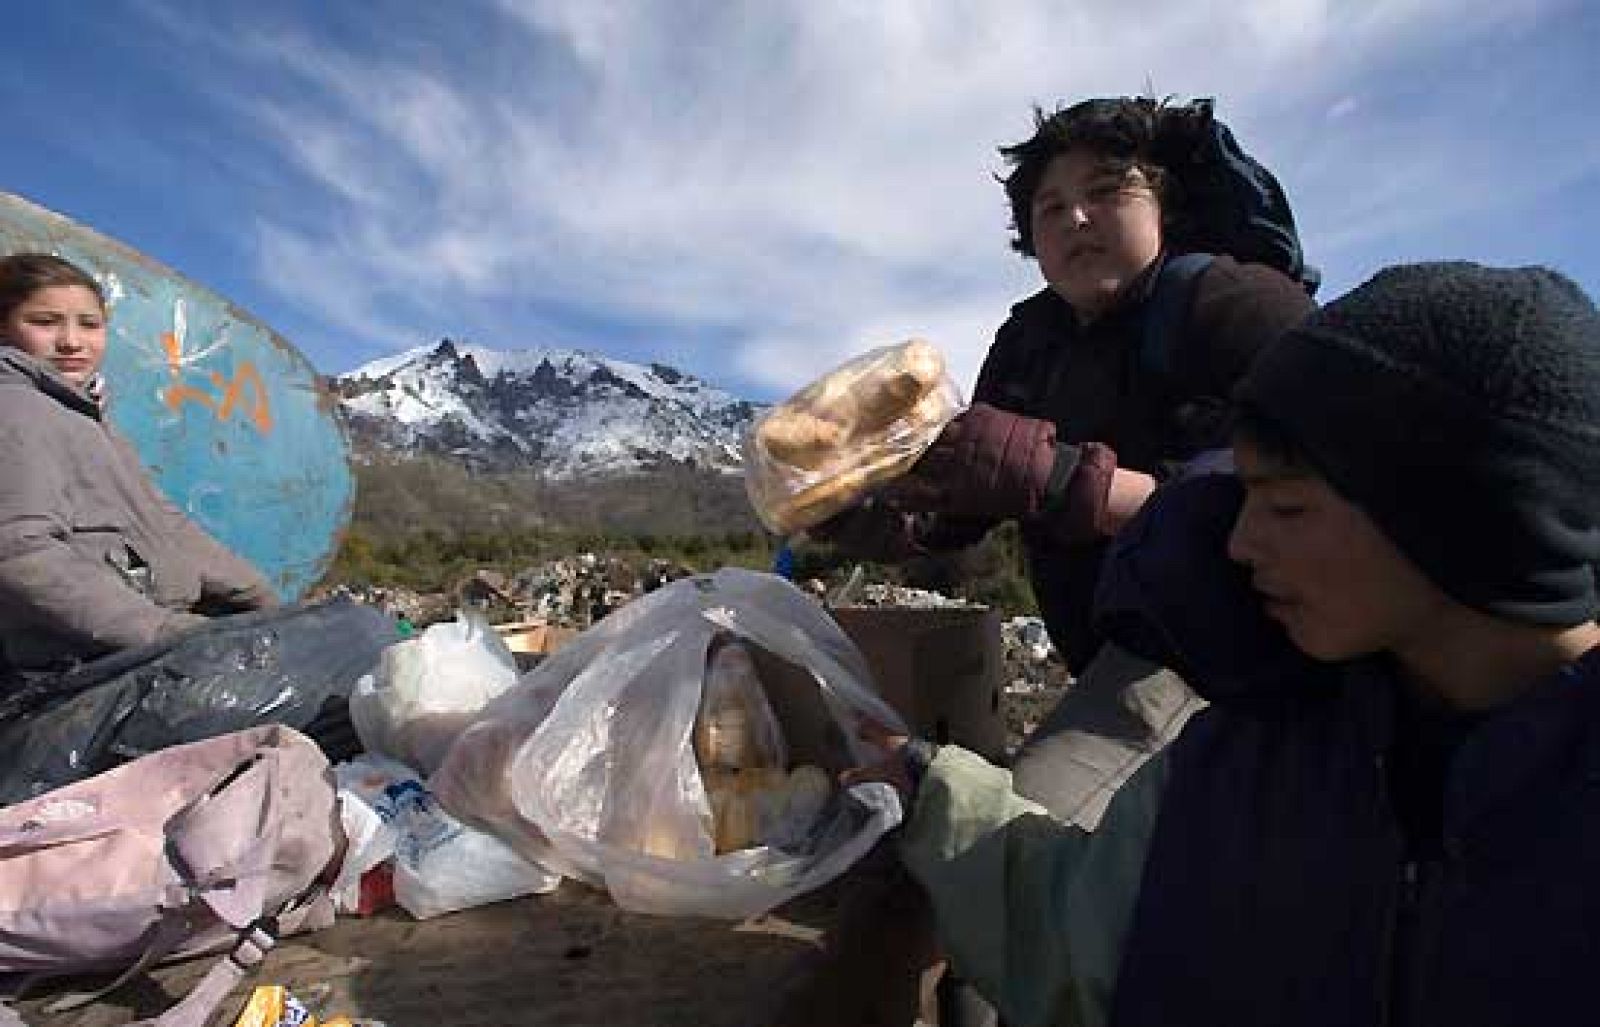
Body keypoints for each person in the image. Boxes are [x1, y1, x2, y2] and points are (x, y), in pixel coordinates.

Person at [858, 261, 1600, 1026]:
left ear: (1463, 517)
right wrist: (926, 790)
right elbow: (1079, 933)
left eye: (1285, 508)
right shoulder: (1244, 764)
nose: (1240, 543)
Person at [814, 97, 1318, 830]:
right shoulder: (1028, 344)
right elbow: (964, 503)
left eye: (1107, 191)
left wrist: (1071, 482)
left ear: (1163, 207)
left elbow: (1318, 484)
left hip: (1226, 649)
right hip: (1109, 653)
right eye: (1049, 208)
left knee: (1008, 837)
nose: (1075, 218)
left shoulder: (1231, 301)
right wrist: (879, 518)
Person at [0, 252, 278, 684]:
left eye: (89, 325)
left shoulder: (81, 414)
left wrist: (259, 596)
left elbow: (162, 521)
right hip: (77, 666)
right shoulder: (17, 410)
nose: (72, 341)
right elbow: (20, 553)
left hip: (131, 642)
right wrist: (169, 632)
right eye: (45, 321)